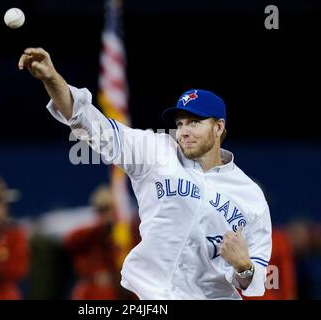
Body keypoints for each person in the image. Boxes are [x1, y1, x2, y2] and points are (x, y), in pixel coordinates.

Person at [18, 48, 272, 299]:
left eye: (195, 122)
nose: (184, 131)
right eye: (180, 123)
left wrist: (243, 266)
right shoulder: (156, 151)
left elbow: (256, 280)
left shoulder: (250, 195)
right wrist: (52, 79)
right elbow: (93, 126)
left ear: (218, 127)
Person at [64, 184, 127, 300]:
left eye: (107, 209)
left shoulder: (123, 233)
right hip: (91, 290)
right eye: (100, 210)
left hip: (115, 290)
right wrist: (100, 228)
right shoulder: (90, 233)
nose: (104, 214)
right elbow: (69, 241)